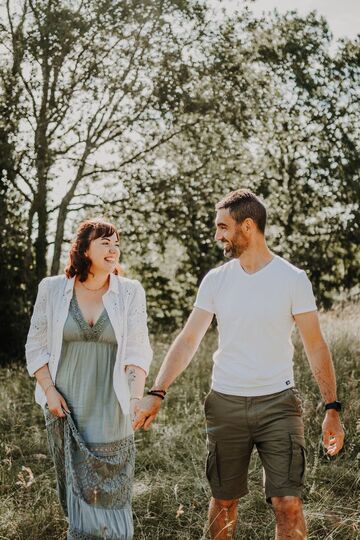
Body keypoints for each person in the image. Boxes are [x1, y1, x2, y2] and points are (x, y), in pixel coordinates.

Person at [133, 189, 345, 540]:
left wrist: (332, 407)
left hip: (279, 404)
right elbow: (188, 340)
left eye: (222, 227)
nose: (217, 235)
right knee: (224, 501)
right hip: (226, 404)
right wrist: (157, 390)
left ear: (247, 226)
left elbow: (316, 346)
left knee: (288, 503)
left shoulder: (293, 279)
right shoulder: (217, 280)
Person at [25, 218, 152, 540]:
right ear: (83, 249)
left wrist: (136, 398)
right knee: (78, 495)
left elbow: (138, 349)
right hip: (66, 405)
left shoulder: (129, 292)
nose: (113, 249)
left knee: (112, 493)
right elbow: (36, 345)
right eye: (104, 243)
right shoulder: (52, 289)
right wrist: (50, 391)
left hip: (112, 406)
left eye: (116, 243)